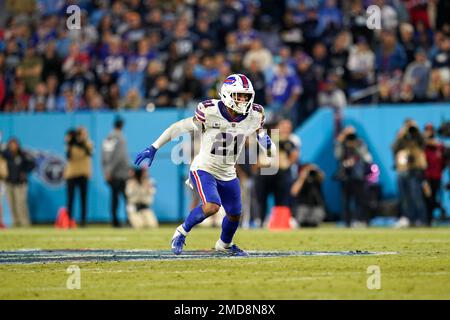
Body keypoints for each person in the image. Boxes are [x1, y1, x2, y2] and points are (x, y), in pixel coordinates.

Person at [134, 74, 276, 256]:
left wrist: (267, 144)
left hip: (228, 171)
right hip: (204, 167)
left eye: (246, 96)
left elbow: (260, 132)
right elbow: (179, 127)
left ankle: (224, 245)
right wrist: (154, 146)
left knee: (234, 214)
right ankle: (181, 232)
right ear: (226, 94)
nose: (243, 100)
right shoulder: (210, 111)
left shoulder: (254, 114)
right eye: (238, 95)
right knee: (212, 206)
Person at [334, 126, 373, 227]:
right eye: (348, 134)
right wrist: (339, 142)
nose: (350, 137)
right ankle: (348, 222)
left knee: (361, 200)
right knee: (346, 201)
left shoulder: (359, 143)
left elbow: (367, 158)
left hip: (358, 175)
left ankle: (363, 220)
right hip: (345, 176)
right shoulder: (342, 143)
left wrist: (356, 145)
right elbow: (338, 156)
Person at [392, 120, 427, 227]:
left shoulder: (417, 137)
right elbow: (394, 148)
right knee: (404, 197)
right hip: (402, 169)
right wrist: (401, 134)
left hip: (415, 170)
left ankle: (422, 219)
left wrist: (416, 130)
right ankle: (408, 219)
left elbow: (423, 144)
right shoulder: (402, 138)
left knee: (416, 196)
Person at [101, 117, 130, 227]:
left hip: (115, 173)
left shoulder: (110, 137)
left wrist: (107, 170)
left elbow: (105, 156)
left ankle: (117, 221)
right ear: (122, 125)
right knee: (123, 198)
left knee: (116, 198)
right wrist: (110, 171)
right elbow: (118, 156)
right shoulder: (118, 137)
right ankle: (124, 220)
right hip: (119, 173)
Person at [2, 138, 35, 227]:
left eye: (15, 144)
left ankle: (25, 223)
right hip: (9, 182)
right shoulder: (6, 155)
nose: (13, 146)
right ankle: (15, 223)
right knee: (12, 204)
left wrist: (24, 171)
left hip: (20, 183)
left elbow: (32, 164)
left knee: (21, 204)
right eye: (11, 144)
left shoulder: (22, 155)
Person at [64, 126, 93, 227]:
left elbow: (89, 152)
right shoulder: (71, 144)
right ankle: (68, 221)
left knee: (83, 199)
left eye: (84, 133)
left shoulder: (88, 143)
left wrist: (81, 141)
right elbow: (68, 156)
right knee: (70, 199)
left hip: (83, 173)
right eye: (81, 133)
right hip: (71, 174)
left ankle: (83, 221)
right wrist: (70, 141)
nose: (82, 135)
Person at [423, 124, 447, 225]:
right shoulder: (424, 146)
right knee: (427, 198)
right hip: (426, 177)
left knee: (433, 197)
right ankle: (428, 219)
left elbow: (444, 161)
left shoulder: (439, 146)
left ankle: (431, 218)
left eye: (431, 130)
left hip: (437, 176)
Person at [290, 163, 326, 227]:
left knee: (316, 218)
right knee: (301, 220)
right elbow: (294, 192)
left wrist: (316, 170)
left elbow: (322, 177)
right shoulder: (300, 180)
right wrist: (302, 178)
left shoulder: (316, 178)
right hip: (303, 206)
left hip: (316, 206)